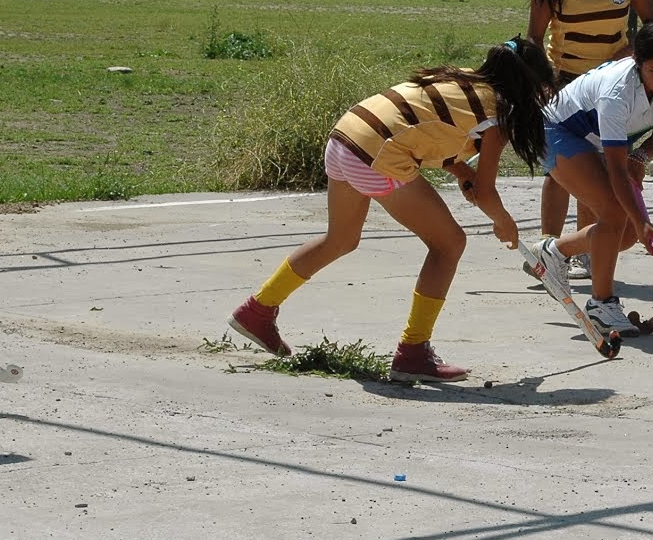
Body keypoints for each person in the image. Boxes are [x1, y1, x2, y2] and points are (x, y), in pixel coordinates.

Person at [225, 38, 555, 382]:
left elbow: (424, 125)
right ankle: (413, 352)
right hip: (375, 155)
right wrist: (504, 222)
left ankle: (257, 310)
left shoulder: (462, 79)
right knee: (449, 244)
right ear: (528, 84)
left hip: (345, 138)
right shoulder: (499, 115)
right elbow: (485, 193)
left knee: (340, 239)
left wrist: (460, 170)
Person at [527, 0, 653, 280]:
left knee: (598, 168)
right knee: (559, 170)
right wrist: (544, 83)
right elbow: (535, 38)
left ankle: (585, 248)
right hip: (566, 85)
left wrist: (631, 50)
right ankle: (548, 250)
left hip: (613, 86)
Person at [528, 20, 653, 334]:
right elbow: (616, 169)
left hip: (599, 139)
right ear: (637, 63)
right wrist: (642, 219)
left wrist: (640, 158)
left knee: (623, 235)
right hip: (559, 132)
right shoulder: (617, 92)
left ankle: (555, 251)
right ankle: (602, 304)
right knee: (616, 214)